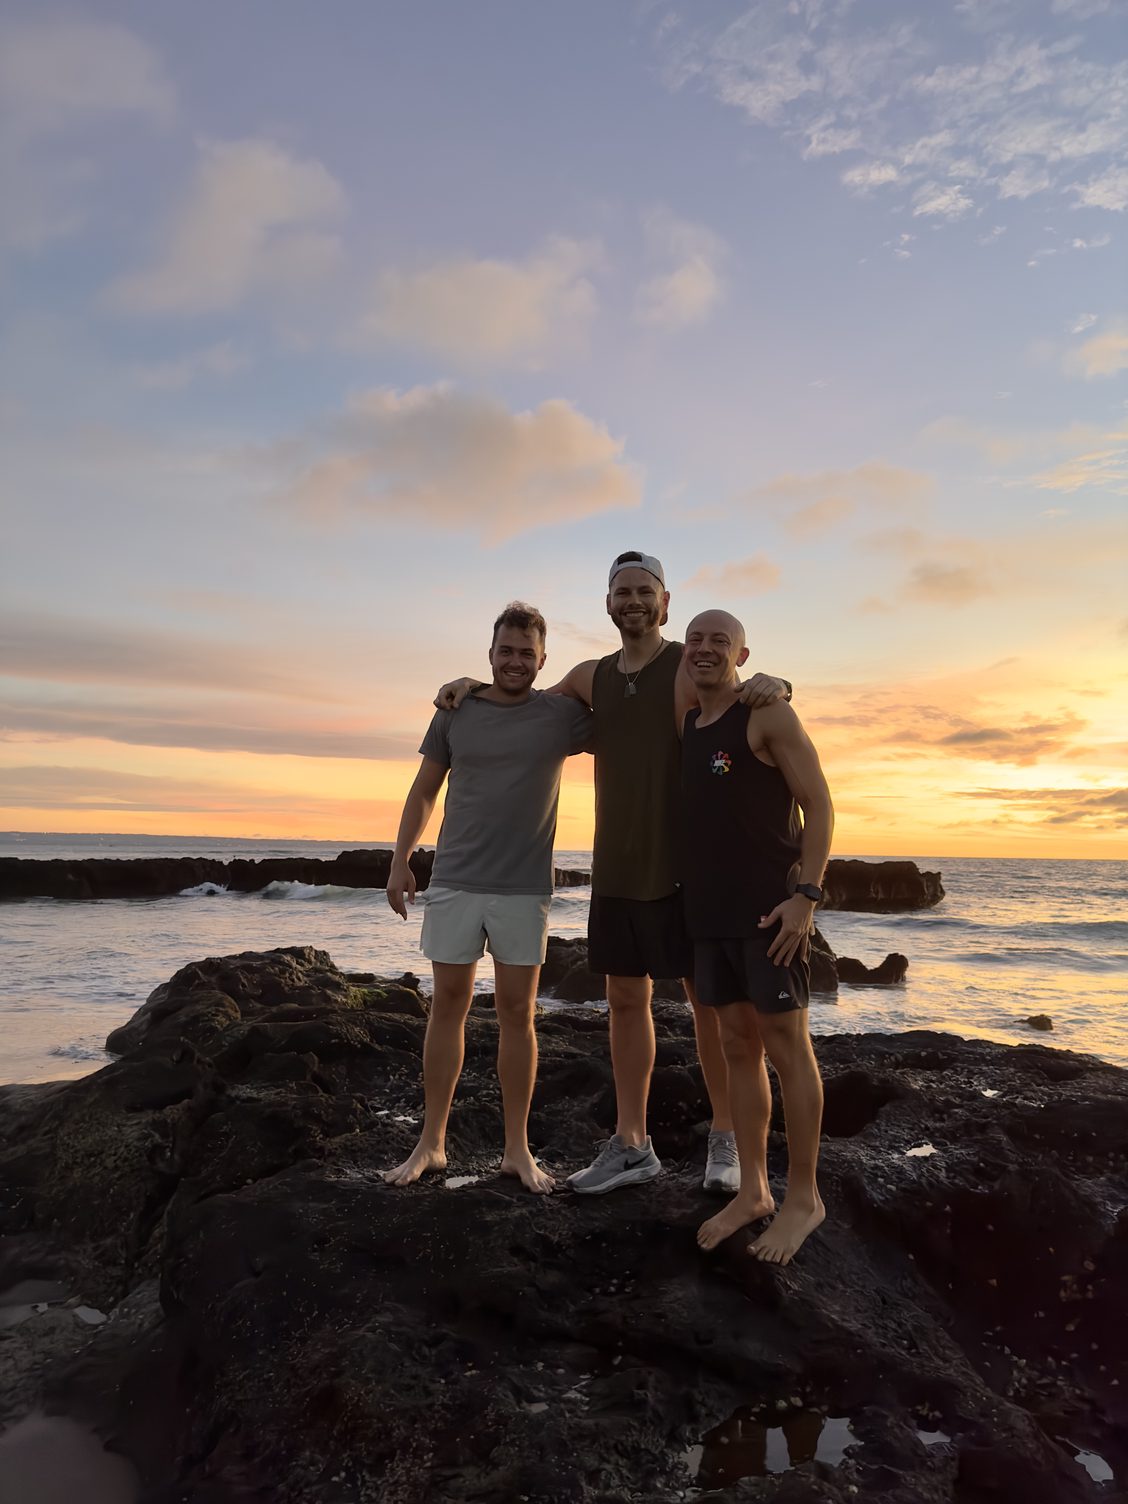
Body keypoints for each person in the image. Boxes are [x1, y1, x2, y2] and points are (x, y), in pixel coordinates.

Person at [435, 553, 790, 1196]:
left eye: (643, 591)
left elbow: (743, 701)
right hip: (617, 865)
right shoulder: (590, 677)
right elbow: (523, 700)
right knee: (626, 1001)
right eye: (621, 590)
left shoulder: (688, 661)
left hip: (688, 867)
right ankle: (632, 1144)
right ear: (607, 601)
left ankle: (726, 1139)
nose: (632, 600)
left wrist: (774, 682)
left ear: (664, 601)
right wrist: (466, 687)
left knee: (707, 1008)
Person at [384, 602, 592, 1195]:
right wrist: (401, 861)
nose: (516, 661)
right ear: (491, 653)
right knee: (446, 1005)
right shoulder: (457, 711)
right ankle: (432, 1143)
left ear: (542, 659)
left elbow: (625, 704)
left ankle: (517, 1151)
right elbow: (425, 790)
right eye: (506, 651)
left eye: (528, 653)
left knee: (517, 1015)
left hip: (523, 889)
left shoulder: (559, 717)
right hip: (453, 879)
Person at [680, 609, 833, 1263]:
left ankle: (804, 1200)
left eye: (721, 640)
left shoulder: (767, 714)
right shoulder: (690, 722)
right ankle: (754, 1190)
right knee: (737, 1044)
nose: (706, 649)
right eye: (696, 639)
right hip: (709, 915)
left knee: (787, 1046)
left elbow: (821, 804)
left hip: (771, 916)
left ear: (743, 653)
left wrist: (806, 897)